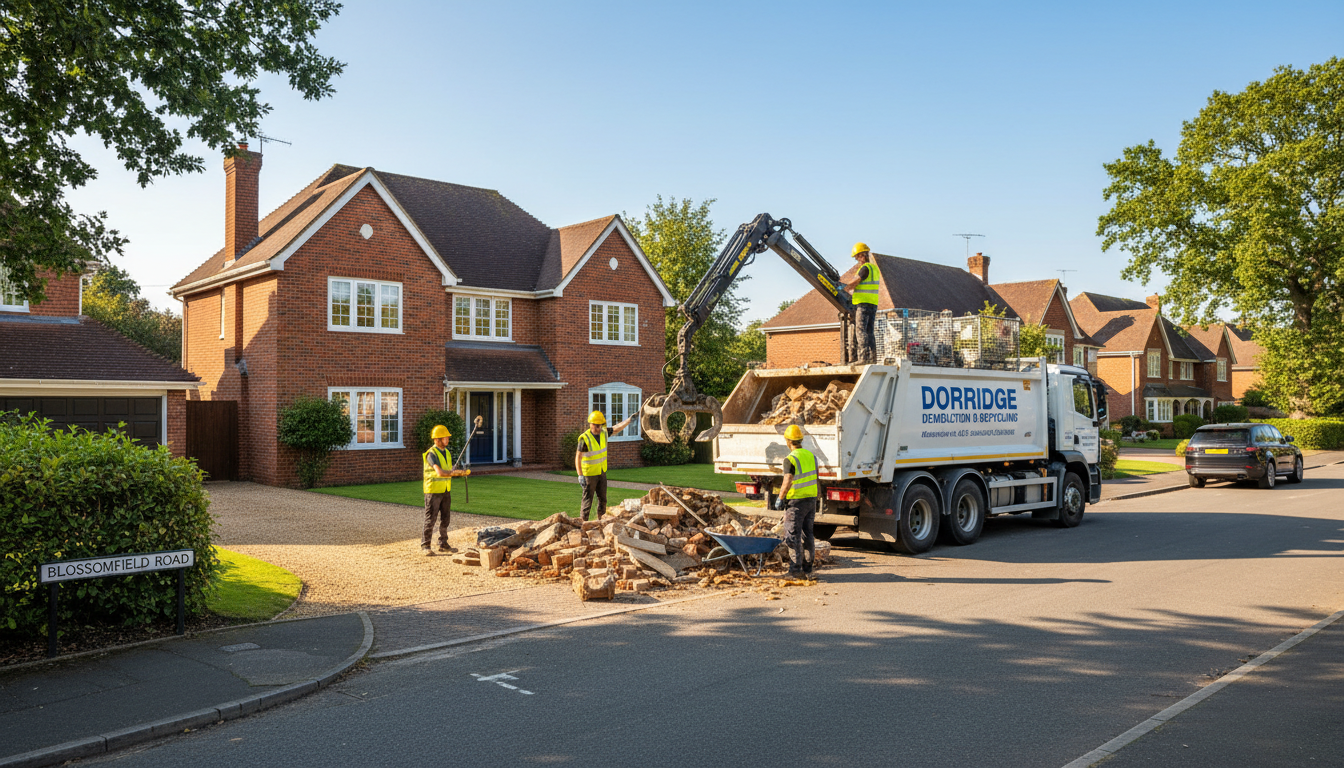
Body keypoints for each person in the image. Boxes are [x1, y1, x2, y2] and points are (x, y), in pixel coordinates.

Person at [773, 424, 818, 578]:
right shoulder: (811, 456)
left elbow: (788, 480)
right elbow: (816, 478)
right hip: (811, 500)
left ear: (788, 441)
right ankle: (807, 568)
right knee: (807, 534)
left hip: (796, 502)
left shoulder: (790, 459)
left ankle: (795, 571)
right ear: (800, 439)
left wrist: (780, 498)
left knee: (792, 535)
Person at [576, 409, 636, 521]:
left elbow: (616, 428)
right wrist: (580, 475)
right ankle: (583, 524)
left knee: (603, 499)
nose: (599, 428)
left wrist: (629, 420)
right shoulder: (585, 439)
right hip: (589, 475)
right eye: (597, 426)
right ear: (591, 424)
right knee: (587, 501)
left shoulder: (604, 433)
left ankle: (601, 521)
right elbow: (578, 457)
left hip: (601, 472)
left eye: (600, 425)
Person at [423, 424, 469, 556]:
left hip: (445, 490)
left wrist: (459, 472)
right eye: (445, 438)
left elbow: (449, 471)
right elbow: (440, 472)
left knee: (445, 518)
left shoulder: (447, 453)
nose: (447, 440)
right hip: (433, 491)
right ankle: (425, 545)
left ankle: (443, 542)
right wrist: (454, 473)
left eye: (447, 438)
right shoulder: (431, 454)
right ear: (437, 439)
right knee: (430, 519)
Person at [842, 242, 880, 364]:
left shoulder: (865, 268)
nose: (857, 260)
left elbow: (857, 281)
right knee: (869, 331)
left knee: (860, 330)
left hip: (862, 304)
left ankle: (863, 358)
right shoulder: (875, 269)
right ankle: (873, 358)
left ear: (863, 255)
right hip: (872, 304)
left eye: (857, 257)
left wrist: (846, 288)